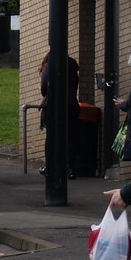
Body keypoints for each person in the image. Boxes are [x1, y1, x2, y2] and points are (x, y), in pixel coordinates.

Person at [38, 51, 79, 179]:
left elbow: (44, 87)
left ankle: (51, 167)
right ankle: (69, 167)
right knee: (70, 137)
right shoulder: (72, 67)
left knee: (52, 137)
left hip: (54, 106)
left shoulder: (49, 65)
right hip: (71, 106)